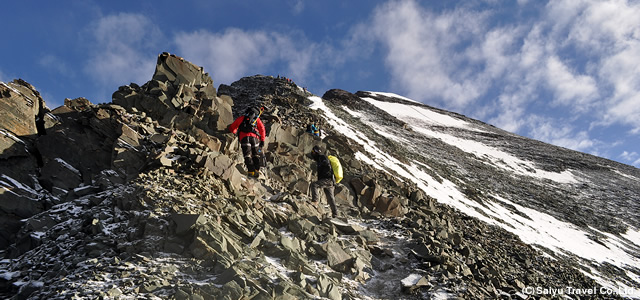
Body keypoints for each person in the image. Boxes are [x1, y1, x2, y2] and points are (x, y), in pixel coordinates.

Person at [228, 107, 266, 177]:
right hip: (255, 138)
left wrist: (234, 132)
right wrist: (262, 140)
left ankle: (251, 172)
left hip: (244, 138)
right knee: (256, 154)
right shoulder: (257, 119)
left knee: (247, 155)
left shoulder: (242, 118)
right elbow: (262, 129)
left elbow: (232, 128)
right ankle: (256, 170)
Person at [310, 145, 338, 218]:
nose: (312, 153)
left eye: (313, 151)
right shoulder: (320, 159)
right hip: (331, 181)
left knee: (314, 185)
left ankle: (315, 201)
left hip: (327, 179)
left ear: (315, 152)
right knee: (330, 198)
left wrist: (324, 165)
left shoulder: (322, 157)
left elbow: (326, 164)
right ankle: (335, 214)